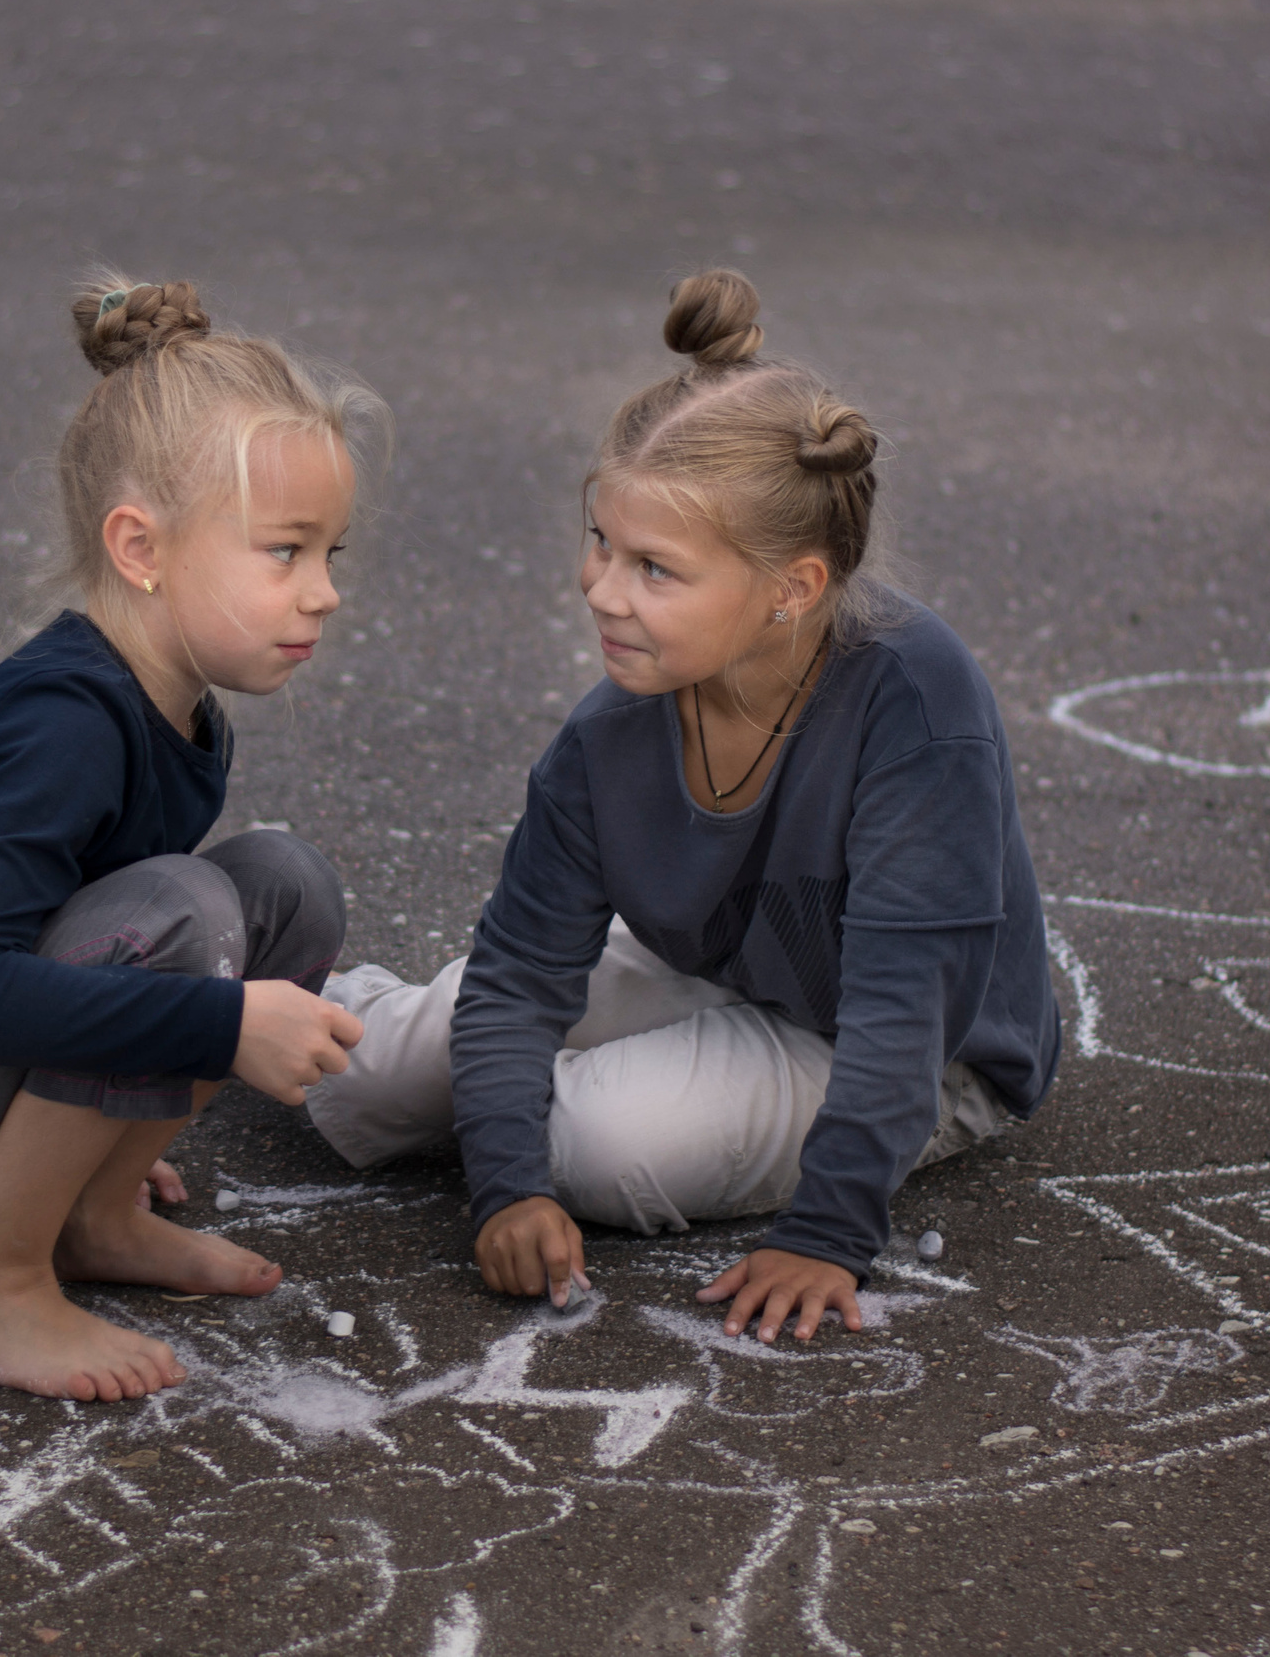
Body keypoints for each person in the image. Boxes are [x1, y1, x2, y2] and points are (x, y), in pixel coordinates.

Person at [307, 270, 1059, 1345]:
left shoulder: (914, 704)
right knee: (377, 1074)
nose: (603, 590)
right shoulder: (612, 729)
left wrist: (828, 1232)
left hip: (920, 1049)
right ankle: (259, 1001)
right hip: (727, 965)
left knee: (607, 1146)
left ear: (790, 589)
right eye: (601, 542)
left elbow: (904, 1009)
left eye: (655, 568)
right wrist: (505, 1186)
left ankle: (566, 1100)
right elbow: (522, 974)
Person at [0, 276, 384, 1402]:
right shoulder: (66, 729)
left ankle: (90, 1216)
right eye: (284, 551)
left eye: (330, 554)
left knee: (283, 886)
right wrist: (223, 1020)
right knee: (181, 921)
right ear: (140, 547)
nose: (324, 592)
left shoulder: (177, 707)